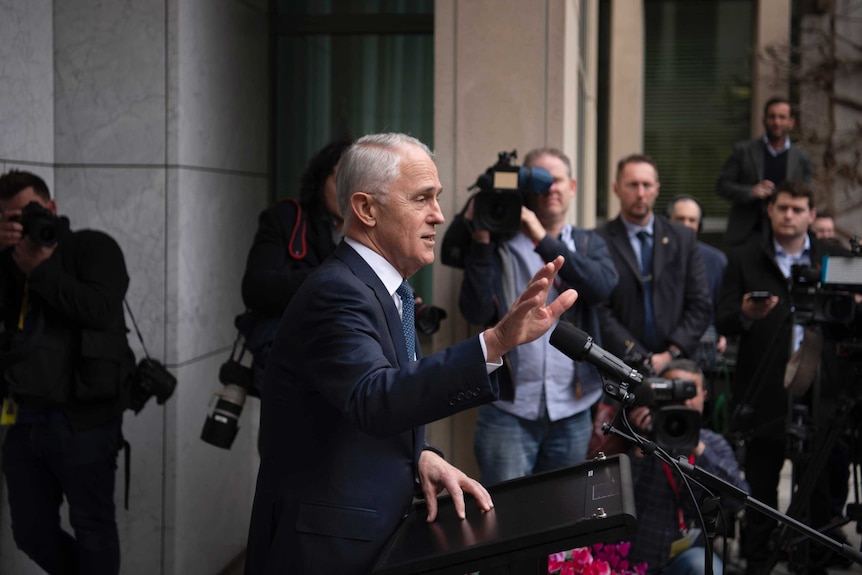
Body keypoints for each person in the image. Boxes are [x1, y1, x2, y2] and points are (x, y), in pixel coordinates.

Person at [243, 133, 579, 575]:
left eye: (437, 198)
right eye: (422, 199)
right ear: (366, 209)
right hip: (327, 551)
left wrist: (422, 455)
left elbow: (355, 410)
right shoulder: (338, 291)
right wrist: (495, 343)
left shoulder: (388, 289)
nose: (439, 216)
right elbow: (374, 398)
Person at [447, 147, 617, 485]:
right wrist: (481, 236)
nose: (550, 188)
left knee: (563, 517)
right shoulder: (499, 245)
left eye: (556, 180)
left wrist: (540, 236)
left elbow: (601, 288)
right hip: (508, 410)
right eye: (540, 182)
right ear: (525, 191)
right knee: (504, 520)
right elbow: (475, 310)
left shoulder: (586, 243)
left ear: (572, 186)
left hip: (572, 408)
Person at [0, 170, 134, 574]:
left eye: (24, 213)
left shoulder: (92, 247)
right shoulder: (6, 261)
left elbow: (100, 310)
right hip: (23, 417)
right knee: (29, 532)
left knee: (93, 528)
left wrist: (40, 270)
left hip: (85, 420)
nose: (18, 225)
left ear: (51, 208)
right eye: (8, 218)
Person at [715, 180, 848, 574]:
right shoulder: (743, 258)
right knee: (760, 488)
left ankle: (813, 563)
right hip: (764, 394)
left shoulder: (834, 259)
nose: (789, 215)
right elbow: (721, 318)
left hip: (823, 394)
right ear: (770, 211)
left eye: (797, 208)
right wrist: (744, 314)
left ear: (811, 214)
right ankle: (758, 561)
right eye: (782, 207)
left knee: (819, 493)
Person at [239, 139, 352, 387]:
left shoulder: (369, 232)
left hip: (346, 364)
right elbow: (255, 288)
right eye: (339, 180)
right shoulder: (287, 219)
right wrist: (335, 278)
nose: (348, 192)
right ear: (320, 181)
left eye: (355, 182)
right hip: (291, 361)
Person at [625, 359, 749, 575]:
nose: (683, 402)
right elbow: (616, 497)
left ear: (704, 396)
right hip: (636, 555)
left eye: (690, 393)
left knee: (705, 568)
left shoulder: (713, 443)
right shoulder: (635, 434)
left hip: (684, 555)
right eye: (674, 392)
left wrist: (696, 445)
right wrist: (640, 444)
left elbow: (738, 500)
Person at [596, 154, 712, 377]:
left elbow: (700, 303)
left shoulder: (683, 238)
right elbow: (600, 309)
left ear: (657, 189)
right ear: (616, 188)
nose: (641, 193)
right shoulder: (598, 240)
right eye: (632, 185)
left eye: (646, 185)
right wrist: (637, 355)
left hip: (678, 366)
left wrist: (671, 353)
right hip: (620, 366)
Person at [716, 96, 814, 247]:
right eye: (772, 117)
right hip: (747, 233)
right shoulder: (743, 151)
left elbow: (808, 194)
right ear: (764, 120)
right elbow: (722, 186)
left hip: (786, 234)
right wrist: (751, 191)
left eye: (782, 117)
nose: (777, 122)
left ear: (791, 122)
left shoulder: (802, 158)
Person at [665, 195, 728, 362]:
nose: (686, 225)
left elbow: (724, 306)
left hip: (704, 346)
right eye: (680, 219)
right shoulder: (655, 255)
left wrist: (723, 333)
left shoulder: (716, 260)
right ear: (668, 222)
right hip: (663, 346)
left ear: (699, 226)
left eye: (692, 220)